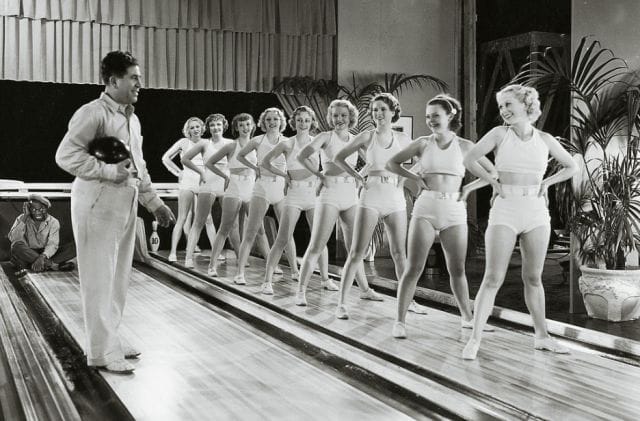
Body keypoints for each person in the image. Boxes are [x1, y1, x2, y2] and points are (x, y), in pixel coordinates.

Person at [55, 50, 175, 374]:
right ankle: (101, 353)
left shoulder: (132, 119)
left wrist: (155, 203)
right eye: (134, 77)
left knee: (118, 280)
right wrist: (107, 172)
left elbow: (138, 165)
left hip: (125, 202)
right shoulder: (92, 113)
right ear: (112, 80)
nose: (140, 83)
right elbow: (65, 156)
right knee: (98, 280)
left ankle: (112, 341)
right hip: (96, 201)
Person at [461, 84, 577, 360]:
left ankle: (542, 337)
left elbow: (572, 166)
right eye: (501, 107)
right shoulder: (500, 134)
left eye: (508, 105)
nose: (503, 111)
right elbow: (469, 158)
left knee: (533, 277)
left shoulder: (545, 139)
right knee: (493, 277)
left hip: (536, 211)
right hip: (506, 210)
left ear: (526, 105)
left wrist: (547, 183)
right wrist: (492, 182)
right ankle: (475, 339)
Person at [386, 94, 496, 338]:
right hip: (426, 208)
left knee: (457, 270)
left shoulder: (466, 146)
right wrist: (415, 178)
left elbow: (492, 172)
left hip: (454, 210)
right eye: (428, 116)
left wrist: (468, 187)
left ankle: (467, 318)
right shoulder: (423, 143)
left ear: (450, 115)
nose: (430, 120)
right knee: (413, 267)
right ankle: (400, 321)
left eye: (435, 115)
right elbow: (392, 163)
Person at [295, 99, 382, 306]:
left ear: (351, 117)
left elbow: (373, 161)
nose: (339, 119)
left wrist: (360, 177)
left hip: (350, 195)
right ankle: (301, 291)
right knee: (317, 245)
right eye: (335, 115)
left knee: (356, 248)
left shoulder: (355, 139)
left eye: (343, 115)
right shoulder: (326, 137)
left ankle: (365, 289)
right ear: (330, 117)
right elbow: (302, 156)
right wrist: (319, 175)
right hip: (330, 194)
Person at [333, 93, 411, 319]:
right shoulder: (367, 136)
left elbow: (419, 162)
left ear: (394, 112)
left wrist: (403, 181)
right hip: (371, 196)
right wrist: (358, 177)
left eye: (383, 110)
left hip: (395, 198)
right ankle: (341, 304)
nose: (378, 114)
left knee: (399, 253)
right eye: (375, 110)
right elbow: (339, 158)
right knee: (357, 252)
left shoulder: (404, 138)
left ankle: (409, 300)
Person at [260, 106, 333, 294]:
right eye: (299, 120)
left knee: (320, 239)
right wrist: (283, 175)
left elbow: (332, 160)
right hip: (294, 194)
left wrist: (323, 176)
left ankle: (325, 279)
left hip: (314, 195)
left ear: (312, 123)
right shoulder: (287, 143)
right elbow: (265, 162)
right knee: (282, 238)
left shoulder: (318, 142)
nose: (303, 123)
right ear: (294, 122)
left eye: (307, 120)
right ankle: (267, 281)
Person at [233, 108, 299, 288]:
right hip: (262, 187)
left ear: (281, 121)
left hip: (281, 189)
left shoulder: (287, 141)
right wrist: (254, 167)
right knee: (251, 232)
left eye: (275, 119)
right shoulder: (257, 140)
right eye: (268, 119)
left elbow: (294, 163)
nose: (272, 122)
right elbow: (240, 155)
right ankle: (239, 273)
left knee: (286, 233)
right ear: (263, 122)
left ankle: (295, 271)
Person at [205, 113, 274, 277]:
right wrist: (225, 176)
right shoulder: (231, 146)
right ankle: (212, 265)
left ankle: (272, 265)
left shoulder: (257, 144)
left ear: (252, 126)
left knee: (260, 229)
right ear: (236, 128)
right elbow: (209, 163)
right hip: (235, 187)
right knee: (225, 227)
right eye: (241, 125)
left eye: (247, 124)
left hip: (252, 188)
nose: (245, 128)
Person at [181, 114, 232, 268]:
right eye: (212, 125)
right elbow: (185, 159)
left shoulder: (231, 143)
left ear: (223, 126)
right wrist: (201, 172)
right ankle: (188, 258)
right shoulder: (204, 143)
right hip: (208, 185)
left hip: (225, 186)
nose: (215, 128)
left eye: (218, 124)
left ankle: (219, 258)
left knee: (229, 225)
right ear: (208, 128)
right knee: (198, 222)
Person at [161, 117, 215, 262]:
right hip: (188, 182)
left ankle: (216, 253)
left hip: (203, 182)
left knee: (208, 218)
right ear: (188, 130)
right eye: (192, 127)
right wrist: (179, 173)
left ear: (202, 128)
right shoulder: (183, 142)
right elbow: (165, 158)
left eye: (198, 126)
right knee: (183, 217)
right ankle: (173, 252)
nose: (195, 129)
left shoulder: (208, 143)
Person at [8, 194, 76, 277]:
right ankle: (52, 265)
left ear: (46, 208)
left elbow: (53, 244)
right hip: (28, 253)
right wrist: (25, 216)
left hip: (46, 253)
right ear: (29, 209)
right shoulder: (22, 218)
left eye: (41, 209)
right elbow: (14, 238)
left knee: (75, 246)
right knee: (16, 246)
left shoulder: (53, 222)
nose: (38, 212)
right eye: (34, 209)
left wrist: (42, 257)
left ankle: (39, 265)